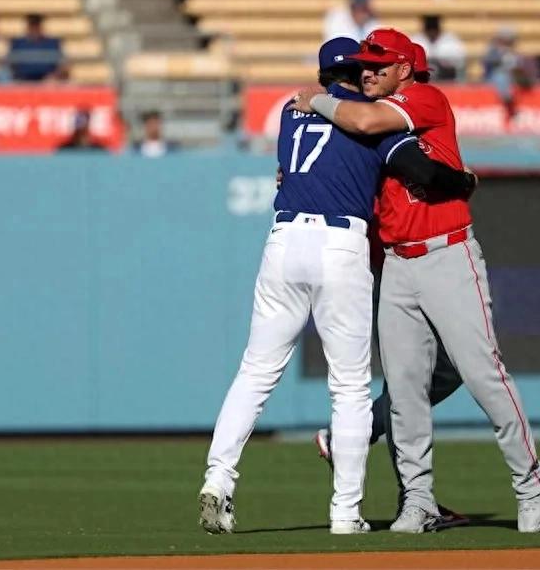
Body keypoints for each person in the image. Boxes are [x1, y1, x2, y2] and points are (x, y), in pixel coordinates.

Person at [197, 37, 476, 537]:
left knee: (255, 372)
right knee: (348, 385)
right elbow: (416, 168)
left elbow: (301, 156)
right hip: (338, 243)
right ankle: (345, 513)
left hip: (283, 240)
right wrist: (462, 183)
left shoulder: (291, 109)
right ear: (359, 72)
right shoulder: (370, 116)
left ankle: (218, 479)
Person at [292, 28, 540, 534]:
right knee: (405, 390)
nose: (367, 71)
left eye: (379, 64)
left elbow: (365, 118)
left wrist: (315, 100)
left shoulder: (422, 99)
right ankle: (418, 499)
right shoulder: (360, 128)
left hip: (447, 252)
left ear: (405, 68)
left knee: (482, 373)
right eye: (364, 64)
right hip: (396, 264)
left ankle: (532, 482)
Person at [482, 26, 540, 117]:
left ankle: (530, 89)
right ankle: (508, 102)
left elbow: (519, 65)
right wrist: (501, 56)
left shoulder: (514, 53)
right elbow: (487, 63)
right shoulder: (493, 50)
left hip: (513, 78)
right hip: (494, 78)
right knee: (500, 75)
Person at [8, 14, 66, 82]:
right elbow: (10, 63)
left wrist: (54, 75)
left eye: (36, 26)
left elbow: (62, 64)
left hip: (47, 81)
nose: (34, 29)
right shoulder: (17, 43)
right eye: (32, 26)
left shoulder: (52, 43)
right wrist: (17, 77)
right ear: (28, 27)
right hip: (22, 80)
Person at [410, 15, 467, 81]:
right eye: (429, 30)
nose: (432, 32)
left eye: (434, 29)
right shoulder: (417, 39)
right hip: (422, 78)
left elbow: (460, 60)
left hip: (447, 78)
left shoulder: (450, 39)